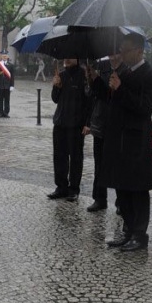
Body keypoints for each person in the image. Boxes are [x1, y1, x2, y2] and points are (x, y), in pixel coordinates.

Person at [98, 34, 152, 251]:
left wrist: (120, 88)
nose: (122, 54)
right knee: (121, 186)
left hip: (135, 141)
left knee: (137, 189)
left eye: (126, 50)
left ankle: (139, 234)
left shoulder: (151, 75)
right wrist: (97, 82)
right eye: (122, 50)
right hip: (118, 140)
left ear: (139, 51)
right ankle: (127, 230)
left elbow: (143, 107)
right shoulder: (123, 72)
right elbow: (111, 101)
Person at [49, 58, 92, 202]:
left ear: (78, 58)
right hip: (60, 121)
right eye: (65, 56)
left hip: (76, 124)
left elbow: (89, 101)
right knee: (59, 156)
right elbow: (55, 99)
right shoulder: (61, 74)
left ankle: (74, 189)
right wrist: (56, 86)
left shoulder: (84, 75)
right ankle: (61, 186)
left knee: (75, 158)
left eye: (71, 56)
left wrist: (88, 123)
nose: (66, 59)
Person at [86, 58, 112, 212]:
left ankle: (121, 202)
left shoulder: (120, 71)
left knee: (116, 164)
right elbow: (92, 95)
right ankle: (99, 198)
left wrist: (96, 79)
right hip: (99, 123)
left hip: (113, 124)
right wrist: (91, 79)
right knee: (99, 164)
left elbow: (108, 95)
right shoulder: (101, 66)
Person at [0, 49, 15, 118]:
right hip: (0, 85)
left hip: (7, 85)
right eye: (3, 55)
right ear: (1, 56)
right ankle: (0, 112)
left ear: (7, 56)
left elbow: (12, 76)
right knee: (0, 100)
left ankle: (6, 112)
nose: (4, 57)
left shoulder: (11, 65)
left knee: (7, 99)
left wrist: (12, 85)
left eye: (5, 55)